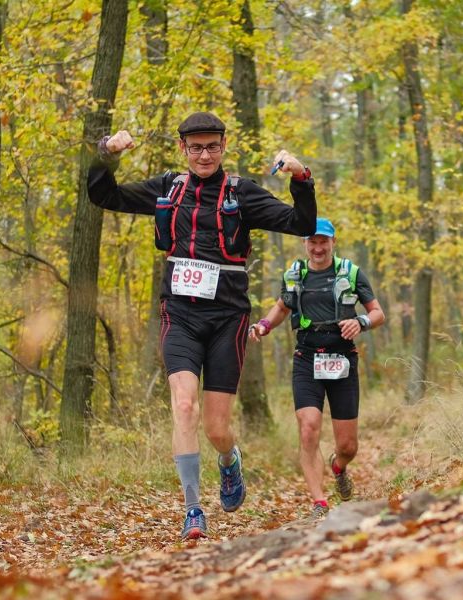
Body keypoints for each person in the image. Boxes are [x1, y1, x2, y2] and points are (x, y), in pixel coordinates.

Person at [86, 112, 316, 540]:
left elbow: (300, 223)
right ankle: (193, 510)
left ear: (223, 146)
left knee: (216, 428)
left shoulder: (241, 193)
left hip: (228, 318)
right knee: (184, 406)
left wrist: (302, 178)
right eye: (196, 147)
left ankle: (229, 461)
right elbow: (104, 197)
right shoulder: (167, 190)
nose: (204, 154)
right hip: (180, 314)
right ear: (183, 149)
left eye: (212, 146)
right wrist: (106, 154)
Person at [249, 218, 384, 518]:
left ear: (333, 242)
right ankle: (319, 502)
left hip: (342, 360)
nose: (318, 247)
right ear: (305, 244)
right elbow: (283, 306)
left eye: (324, 241)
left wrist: (360, 322)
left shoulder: (351, 273)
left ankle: (339, 467)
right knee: (308, 428)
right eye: (313, 241)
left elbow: (378, 313)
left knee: (348, 446)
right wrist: (264, 324)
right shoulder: (294, 275)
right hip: (307, 358)